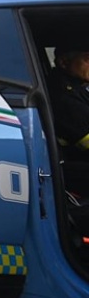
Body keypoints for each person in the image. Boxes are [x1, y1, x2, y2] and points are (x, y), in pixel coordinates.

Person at [47, 42, 89, 196]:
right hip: (73, 170)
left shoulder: (77, 87)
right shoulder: (64, 97)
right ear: (64, 63)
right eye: (87, 59)